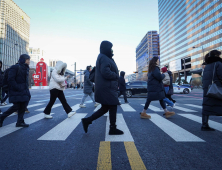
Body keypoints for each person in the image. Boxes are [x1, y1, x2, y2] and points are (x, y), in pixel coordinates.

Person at [81, 40, 124, 135]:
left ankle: (87, 120)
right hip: (107, 87)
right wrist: (116, 76)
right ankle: (112, 128)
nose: (112, 50)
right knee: (113, 106)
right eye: (110, 48)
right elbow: (105, 72)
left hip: (106, 87)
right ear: (106, 48)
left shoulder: (104, 57)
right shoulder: (104, 58)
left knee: (105, 108)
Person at [0, 54, 31, 127]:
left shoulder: (26, 68)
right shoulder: (15, 67)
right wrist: (18, 87)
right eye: (28, 60)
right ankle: (1, 117)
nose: (29, 61)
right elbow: (11, 79)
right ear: (23, 60)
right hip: (16, 91)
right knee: (16, 106)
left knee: (23, 106)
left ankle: (20, 122)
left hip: (24, 91)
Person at [201, 50, 222, 131]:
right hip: (217, 88)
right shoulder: (218, 64)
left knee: (206, 106)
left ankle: (204, 124)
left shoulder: (207, 66)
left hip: (208, 89)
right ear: (216, 56)